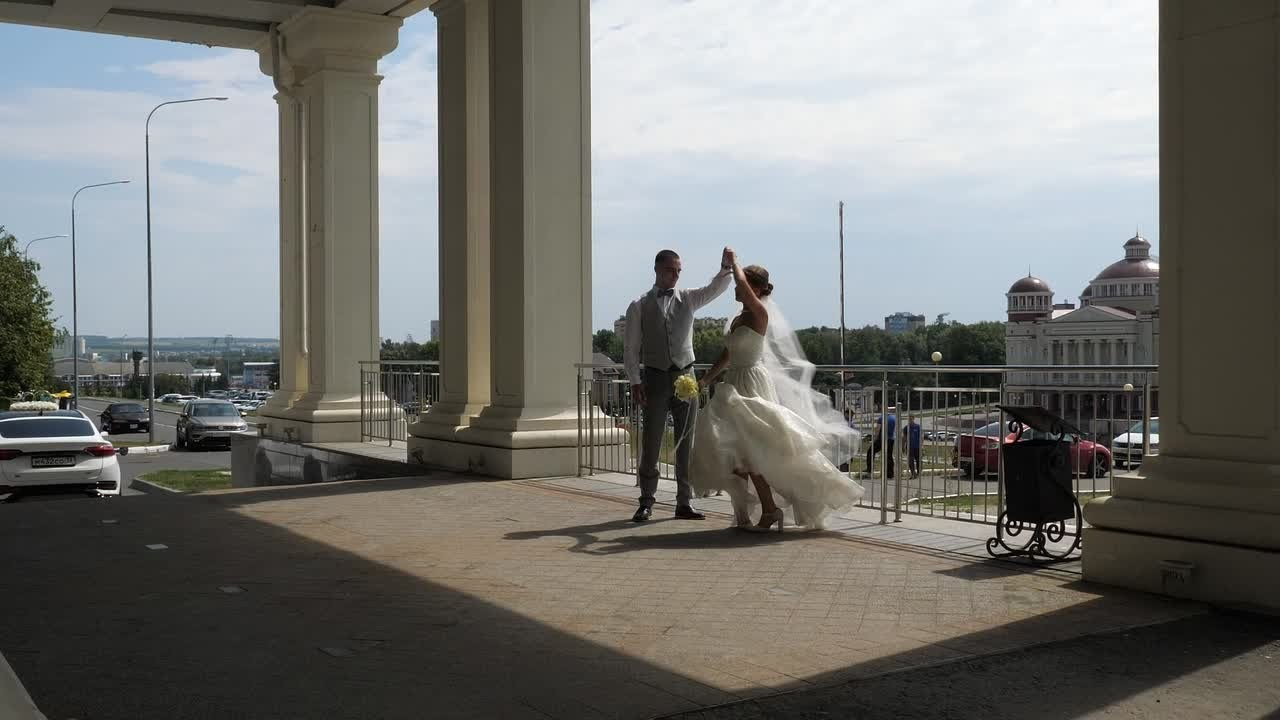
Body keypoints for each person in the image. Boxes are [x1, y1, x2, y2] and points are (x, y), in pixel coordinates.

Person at [690, 257, 864, 531]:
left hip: (751, 383)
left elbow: (742, 287)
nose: (738, 289)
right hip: (733, 383)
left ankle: (770, 510)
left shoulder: (759, 312)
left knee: (754, 451)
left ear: (756, 289)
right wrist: (705, 379)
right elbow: (727, 354)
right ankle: (745, 513)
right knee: (733, 452)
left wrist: (733, 261)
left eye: (744, 284)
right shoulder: (738, 318)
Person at [623, 247, 735, 522]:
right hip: (655, 377)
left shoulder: (688, 298)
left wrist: (725, 267)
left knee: (686, 440)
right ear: (657, 270)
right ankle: (646, 500)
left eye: (678, 271)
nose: (675, 276)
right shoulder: (639, 305)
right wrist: (636, 381)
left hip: (686, 376)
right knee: (651, 441)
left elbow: (714, 288)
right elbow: (631, 348)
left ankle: (684, 502)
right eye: (670, 270)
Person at [865, 411, 896, 479]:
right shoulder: (893, 418)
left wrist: (874, 439)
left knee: (871, 451)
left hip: (882, 439)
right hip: (891, 439)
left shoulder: (881, 418)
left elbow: (878, 430)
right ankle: (890, 474)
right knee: (889, 456)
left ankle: (869, 470)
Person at [904, 413, 922, 479]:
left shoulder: (917, 427)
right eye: (909, 418)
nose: (910, 420)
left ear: (913, 418)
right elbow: (904, 438)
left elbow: (921, 436)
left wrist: (921, 445)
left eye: (911, 418)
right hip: (909, 447)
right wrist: (903, 446)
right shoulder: (906, 428)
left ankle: (918, 473)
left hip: (917, 446)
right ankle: (912, 473)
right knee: (910, 460)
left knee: (918, 460)